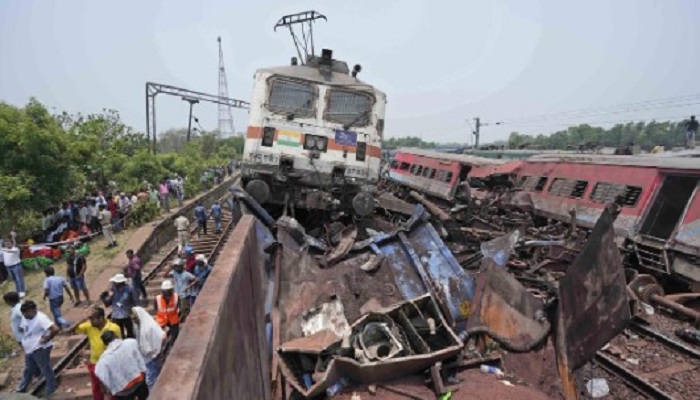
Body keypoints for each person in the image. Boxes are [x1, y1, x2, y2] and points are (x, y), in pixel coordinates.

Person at [65, 307, 122, 400]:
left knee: (113, 388)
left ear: (101, 318)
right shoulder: (89, 326)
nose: (90, 321)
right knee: (96, 389)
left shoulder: (114, 328)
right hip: (95, 364)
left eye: (92, 318)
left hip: (110, 364)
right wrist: (83, 318)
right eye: (89, 318)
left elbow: (119, 345)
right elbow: (69, 331)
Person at [16, 301, 60, 397]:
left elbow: (55, 329)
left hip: (40, 348)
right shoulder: (25, 317)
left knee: (45, 369)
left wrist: (47, 338)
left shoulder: (41, 318)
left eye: (26, 313)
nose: (25, 315)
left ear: (32, 310)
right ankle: (20, 389)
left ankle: (51, 389)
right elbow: (24, 329)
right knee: (28, 369)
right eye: (23, 313)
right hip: (30, 349)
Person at [95, 331, 149, 400]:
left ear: (104, 343)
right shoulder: (131, 343)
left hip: (123, 390)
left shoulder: (103, 360)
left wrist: (109, 390)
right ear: (117, 336)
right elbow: (139, 358)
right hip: (139, 380)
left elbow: (102, 376)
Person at [131, 307, 166, 389]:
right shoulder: (137, 325)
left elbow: (160, 339)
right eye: (132, 319)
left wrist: (153, 353)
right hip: (145, 358)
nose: (134, 321)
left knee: (150, 381)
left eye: (135, 318)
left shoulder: (150, 326)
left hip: (153, 357)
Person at [101, 274, 137, 338]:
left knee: (130, 333)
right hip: (116, 316)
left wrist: (135, 311)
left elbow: (134, 300)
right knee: (119, 334)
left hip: (127, 314)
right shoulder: (112, 290)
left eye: (115, 282)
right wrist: (109, 296)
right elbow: (106, 303)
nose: (114, 284)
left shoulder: (129, 289)